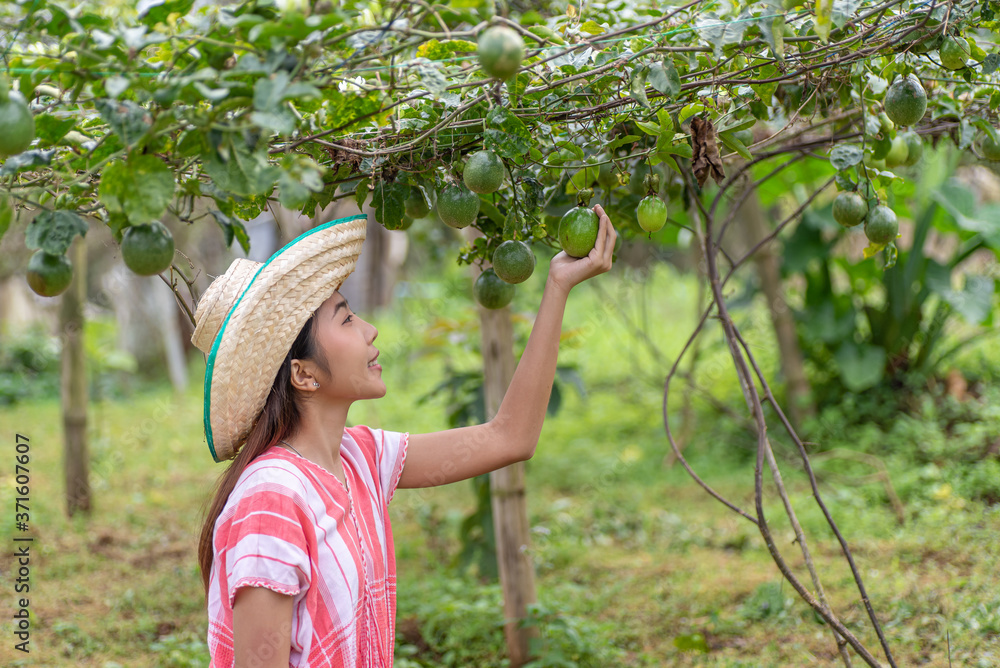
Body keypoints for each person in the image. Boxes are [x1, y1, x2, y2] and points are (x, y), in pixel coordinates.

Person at [193, 207, 616, 667]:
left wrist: (558, 286)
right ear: (304, 373)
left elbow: (510, 436)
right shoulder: (271, 499)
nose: (370, 330)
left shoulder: (358, 459)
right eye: (346, 319)